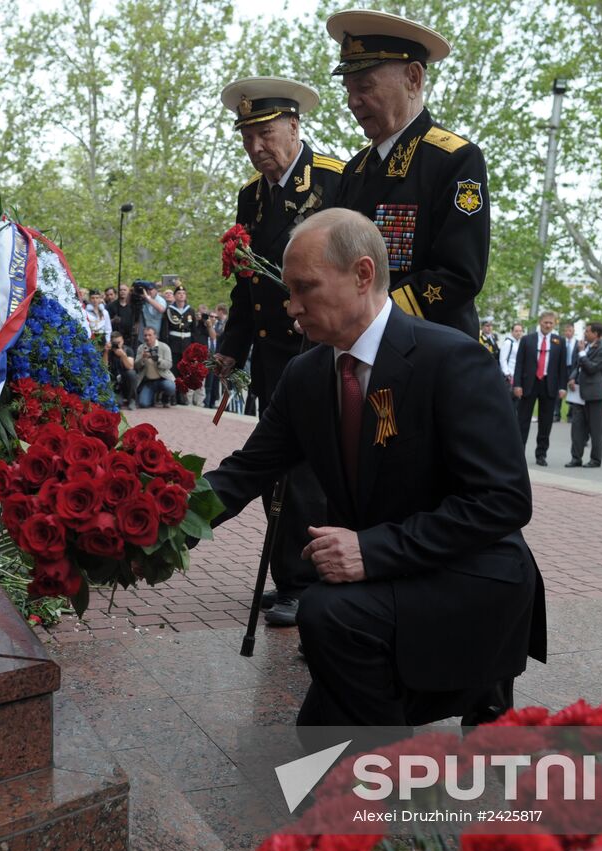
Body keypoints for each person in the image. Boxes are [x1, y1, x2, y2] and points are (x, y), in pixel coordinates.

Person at [205, 208, 544, 729]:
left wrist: (373, 549)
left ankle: (405, 747)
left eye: (305, 288)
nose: (291, 307)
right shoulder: (305, 375)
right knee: (320, 729)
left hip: (467, 570)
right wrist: (153, 525)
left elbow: (503, 502)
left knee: (325, 614)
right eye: (289, 291)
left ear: (362, 274)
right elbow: (243, 473)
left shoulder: (452, 359)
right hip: (381, 577)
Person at [216, 75, 345, 627]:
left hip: (315, 349)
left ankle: (308, 581)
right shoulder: (251, 196)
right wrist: (231, 349)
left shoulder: (336, 181)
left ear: (294, 126)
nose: (256, 147)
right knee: (277, 467)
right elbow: (246, 285)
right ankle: (290, 575)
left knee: (309, 470)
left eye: (265, 134)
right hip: (272, 357)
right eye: (247, 137)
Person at [329, 9, 489, 337]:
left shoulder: (455, 159)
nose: (352, 102)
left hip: (425, 349)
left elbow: (458, 276)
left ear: (413, 78)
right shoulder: (354, 170)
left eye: (365, 86)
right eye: (348, 90)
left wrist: (370, 316)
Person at [512, 311, 567, 466]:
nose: (548, 325)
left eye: (551, 323)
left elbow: (562, 367)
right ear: (540, 322)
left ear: (554, 324)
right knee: (522, 421)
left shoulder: (559, 341)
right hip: (529, 384)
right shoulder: (527, 340)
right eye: (545, 322)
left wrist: (562, 387)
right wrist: (517, 384)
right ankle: (518, 454)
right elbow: (519, 363)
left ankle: (541, 454)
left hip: (549, 385)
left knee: (546, 422)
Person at [565, 321, 602, 468]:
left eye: (587, 331)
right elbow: (577, 366)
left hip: (594, 394)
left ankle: (595, 459)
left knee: (595, 429)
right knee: (577, 427)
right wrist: (572, 378)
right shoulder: (585, 346)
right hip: (579, 393)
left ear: (596, 334)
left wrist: (582, 352)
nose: (585, 333)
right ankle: (576, 458)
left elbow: (592, 368)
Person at [134, 327, 175, 407]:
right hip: (148, 382)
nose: (147, 337)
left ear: (155, 336)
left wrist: (158, 359)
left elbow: (169, 365)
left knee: (171, 386)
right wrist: (142, 359)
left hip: (163, 379)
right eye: (145, 335)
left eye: (150, 335)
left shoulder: (164, 347)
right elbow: (136, 366)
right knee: (143, 404)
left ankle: (165, 397)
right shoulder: (141, 348)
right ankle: (152, 397)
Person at [498, 322, 524, 387]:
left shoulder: (520, 342)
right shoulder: (508, 343)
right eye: (516, 331)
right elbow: (502, 359)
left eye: (520, 331)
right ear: (512, 332)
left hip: (517, 375)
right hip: (509, 376)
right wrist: (507, 373)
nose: (519, 333)